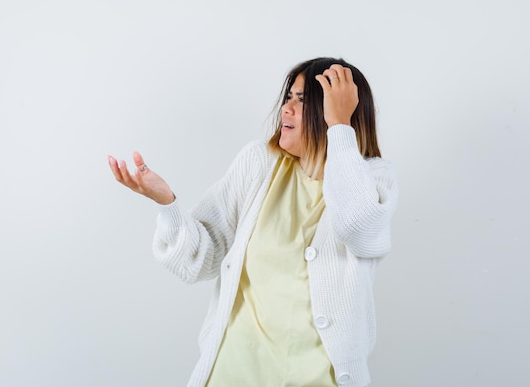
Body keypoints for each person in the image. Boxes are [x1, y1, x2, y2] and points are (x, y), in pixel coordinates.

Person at [108, 57, 398, 387]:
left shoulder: (375, 179)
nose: (285, 109)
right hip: (233, 375)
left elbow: (357, 226)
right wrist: (168, 204)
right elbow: (199, 261)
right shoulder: (259, 163)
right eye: (288, 97)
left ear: (334, 111)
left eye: (301, 101)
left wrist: (341, 129)